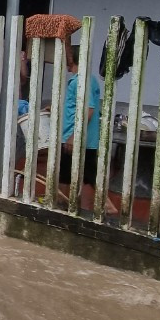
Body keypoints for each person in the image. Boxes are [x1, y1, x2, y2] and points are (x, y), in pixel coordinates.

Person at [58, 39, 103, 209]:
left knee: (69, 174)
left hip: (76, 137)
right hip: (86, 137)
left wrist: (73, 136)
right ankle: (64, 202)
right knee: (83, 174)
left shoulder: (80, 81)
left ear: (72, 58)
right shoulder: (87, 79)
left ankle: (61, 203)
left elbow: (89, 109)